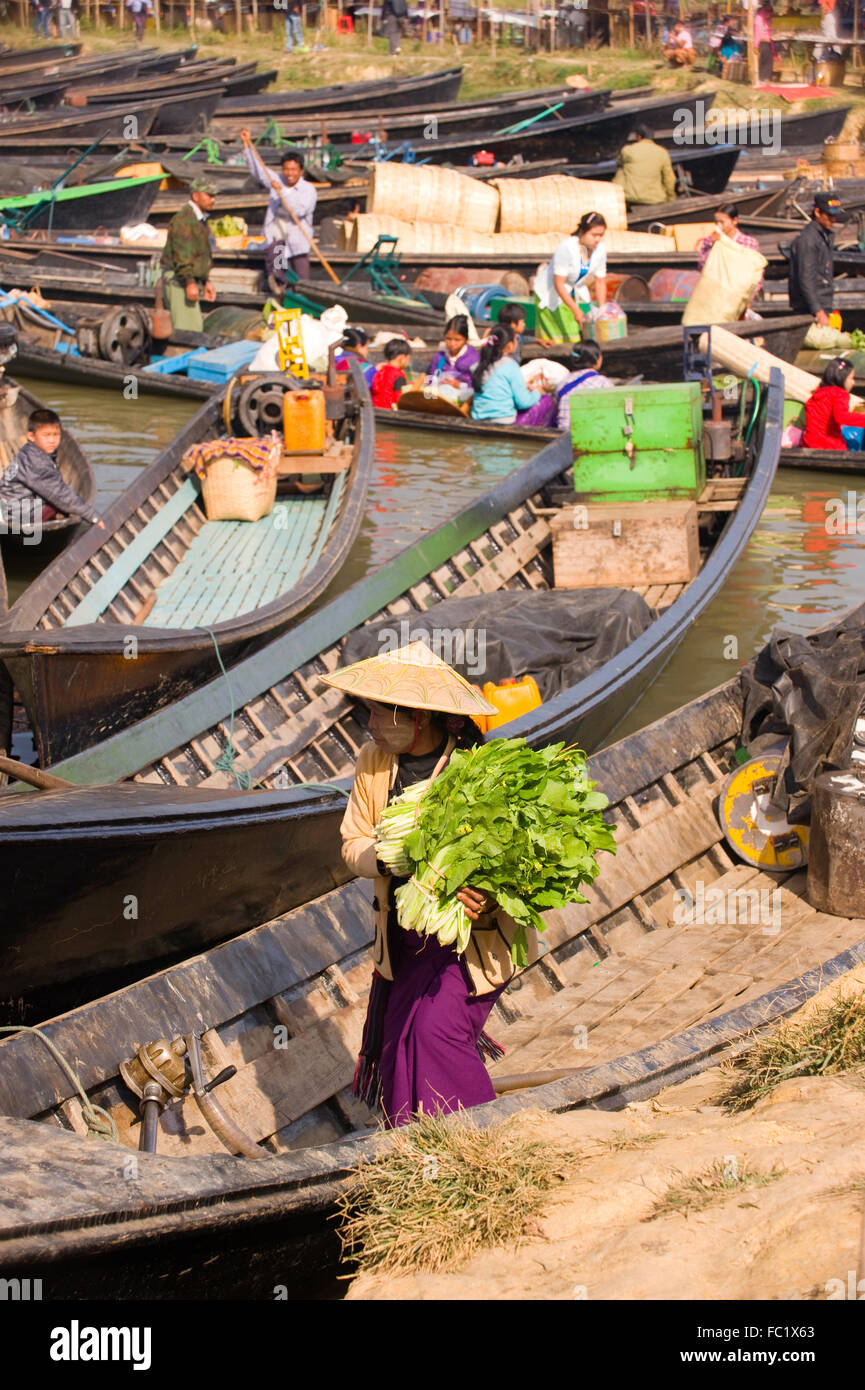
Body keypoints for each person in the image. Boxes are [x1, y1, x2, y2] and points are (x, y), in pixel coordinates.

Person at [322, 640, 537, 1127]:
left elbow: (515, 871)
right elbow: (353, 840)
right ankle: (418, 1150)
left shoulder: (479, 771)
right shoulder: (373, 762)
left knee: (434, 1033)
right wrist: (387, 857)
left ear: (417, 717)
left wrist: (484, 901)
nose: (370, 725)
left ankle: (480, 1141)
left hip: (469, 941)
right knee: (399, 1042)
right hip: (403, 938)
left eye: (377, 714)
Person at [0, 409, 105, 534]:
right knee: (60, 504)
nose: (52, 440)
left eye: (56, 434)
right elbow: (59, 494)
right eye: (46, 435)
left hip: (9, 506)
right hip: (17, 515)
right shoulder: (37, 463)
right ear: (31, 436)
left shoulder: (29, 451)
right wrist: (92, 516)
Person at [240, 130, 317, 294]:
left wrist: (283, 192)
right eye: (286, 169)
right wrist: (247, 145)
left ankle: (303, 312)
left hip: (298, 245)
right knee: (279, 280)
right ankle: (281, 305)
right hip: (278, 244)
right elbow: (259, 171)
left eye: (294, 169)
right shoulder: (277, 181)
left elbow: (299, 210)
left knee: (302, 284)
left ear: (301, 171)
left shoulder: (308, 190)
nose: (289, 173)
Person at [533, 211, 608, 344]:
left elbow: (600, 282)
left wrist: (602, 312)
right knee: (559, 337)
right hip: (551, 292)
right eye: (594, 235)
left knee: (575, 333)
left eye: (600, 235)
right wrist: (576, 310)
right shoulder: (567, 247)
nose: (597, 239)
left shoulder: (600, 250)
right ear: (582, 231)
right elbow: (559, 283)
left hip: (573, 292)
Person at [160, 176, 217, 333]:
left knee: (194, 327)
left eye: (214, 196)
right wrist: (189, 282)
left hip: (188, 279)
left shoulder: (200, 219)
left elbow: (199, 254)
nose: (213, 199)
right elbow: (182, 256)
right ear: (195, 196)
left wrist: (205, 282)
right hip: (179, 280)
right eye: (209, 195)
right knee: (188, 330)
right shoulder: (184, 220)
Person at [470, 324, 556, 427]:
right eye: (516, 339)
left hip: (478, 420)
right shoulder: (510, 365)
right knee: (546, 400)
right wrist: (537, 391)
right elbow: (523, 402)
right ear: (510, 345)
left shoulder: (479, 364)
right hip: (503, 422)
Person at [787, 191, 847, 328]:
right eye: (830, 215)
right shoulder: (808, 240)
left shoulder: (825, 236)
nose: (833, 219)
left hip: (823, 302)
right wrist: (818, 312)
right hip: (809, 308)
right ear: (818, 213)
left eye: (835, 215)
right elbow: (805, 278)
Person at [696, 202, 764, 306]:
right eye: (716, 222)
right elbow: (702, 267)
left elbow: (756, 274)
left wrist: (748, 298)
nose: (719, 226)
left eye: (722, 222)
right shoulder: (710, 241)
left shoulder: (748, 243)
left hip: (741, 297)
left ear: (734, 221)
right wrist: (714, 245)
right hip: (716, 297)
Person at [804, 357, 864, 450]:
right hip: (829, 446)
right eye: (851, 378)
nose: (853, 382)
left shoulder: (818, 393)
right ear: (842, 378)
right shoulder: (839, 393)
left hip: (810, 443)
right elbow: (841, 417)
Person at [554, 341, 614, 431]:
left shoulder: (563, 382)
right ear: (598, 359)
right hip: (587, 433)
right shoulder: (603, 383)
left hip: (562, 432)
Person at [613, 124, 677, 207]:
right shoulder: (662, 152)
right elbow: (669, 179)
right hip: (654, 199)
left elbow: (618, 163)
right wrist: (671, 198)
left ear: (639, 136)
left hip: (628, 197)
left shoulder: (627, 150)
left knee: (622, 170)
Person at [426, 315, 479, 391]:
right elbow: (430, 379)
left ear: (465, 339)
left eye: (457, 340)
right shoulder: (439, 357)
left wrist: (459, 385)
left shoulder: (473, 359)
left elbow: (477, 383)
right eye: (448, 339)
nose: (452, 344)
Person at [371, 338, 411, 408]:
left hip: (376, 410)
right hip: (389, 414)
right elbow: (400, 400)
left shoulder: (381, 370)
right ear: (402, 358)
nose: (408, 362)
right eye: (408, 359)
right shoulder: (398, 376)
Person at [754, 2, 774, 82]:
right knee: (765, 61)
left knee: (767, 60)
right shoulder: (760, 17)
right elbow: (757, 32)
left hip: (765, 41)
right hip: (762, 42)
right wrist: (755, 44)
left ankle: (764, 78)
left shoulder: (764, 16)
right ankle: (763, 78)